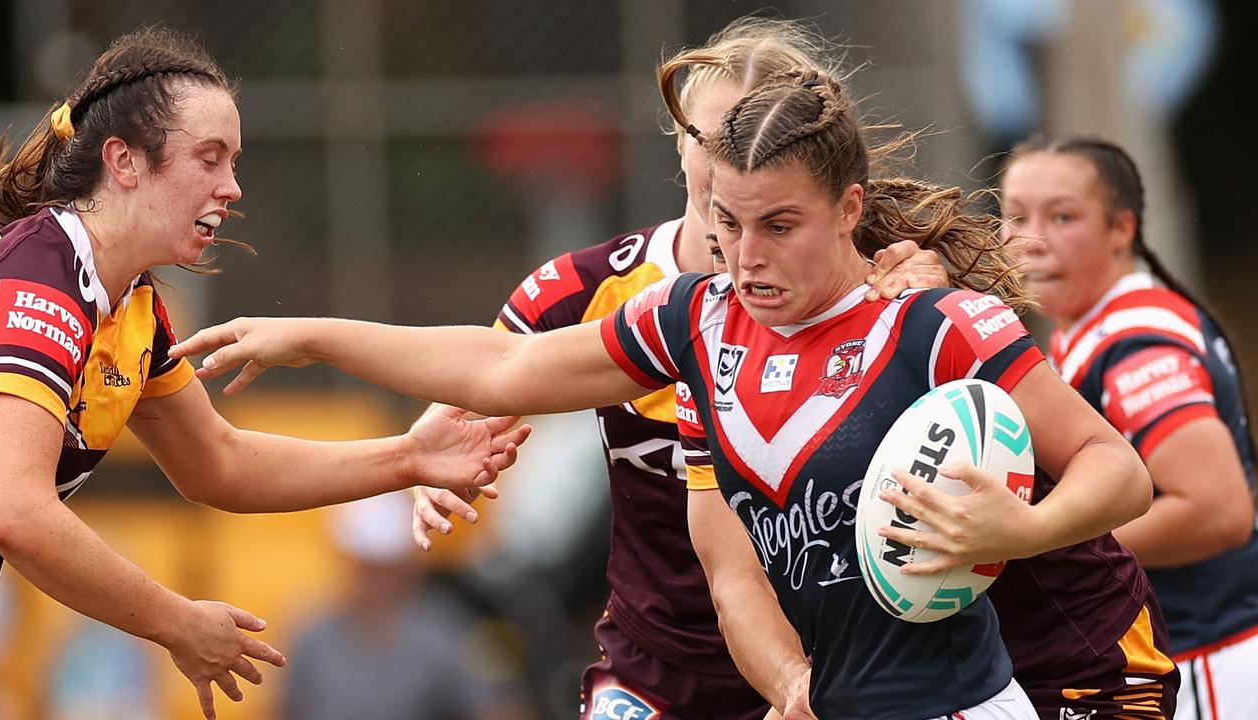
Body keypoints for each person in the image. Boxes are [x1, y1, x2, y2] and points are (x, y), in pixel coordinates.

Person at [172, 69, 1156, 719]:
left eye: (779, 224)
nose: (748, 255)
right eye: (726, 221)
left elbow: (1118, 472)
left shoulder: (932, 328)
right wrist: (313, 336)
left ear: (849, 210)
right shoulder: (697, 323)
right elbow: (506, 370)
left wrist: (1014, 532)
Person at [0, 28, 530, 720]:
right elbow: (13, 512)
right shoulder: (40, 279)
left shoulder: (131, 308)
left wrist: (410, 458)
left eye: (233, 161)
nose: (232, 187)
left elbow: (219, 462)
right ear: (122, 161)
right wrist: (175, 622)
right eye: (209, 158)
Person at [407, 17, 949, 720]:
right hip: (655, 670)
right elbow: (477, 383)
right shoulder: (592, 285)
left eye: (752, 136)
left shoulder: (873, 281)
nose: (729, 158)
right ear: (678, 142)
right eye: (708, 136)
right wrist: (429, 458)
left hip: (821, 667)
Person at [1001, 135, 1258, 720]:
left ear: (1122, 229)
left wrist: (1041, 542)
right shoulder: (1089, 328)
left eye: (1063, 216)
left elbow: (1219, 509)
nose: (1031, 239)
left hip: (1211, 662)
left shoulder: (1133, 342)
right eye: (1014, 216)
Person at [282, 493, 531, 720]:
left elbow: (498, 710)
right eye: (366, 565)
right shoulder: (312, 637)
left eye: (384, 567)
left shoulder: (449, 631)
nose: (375, 580)